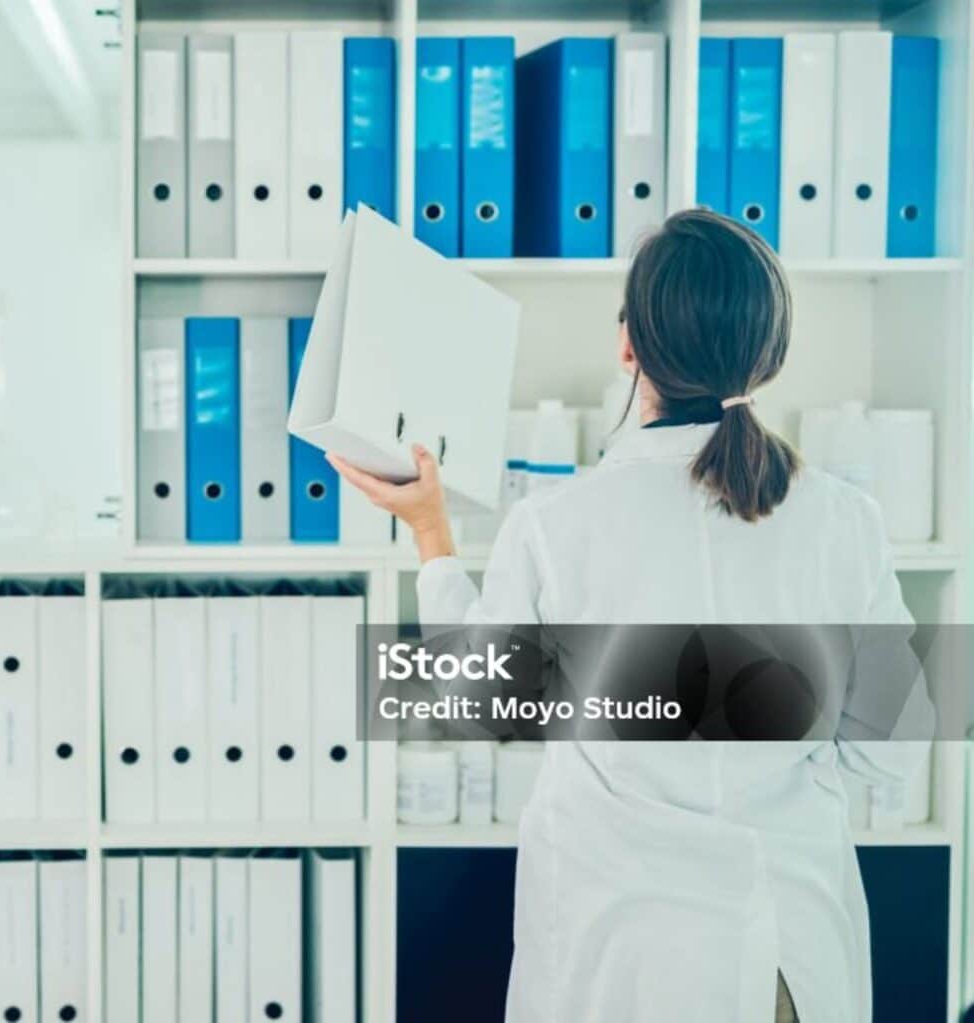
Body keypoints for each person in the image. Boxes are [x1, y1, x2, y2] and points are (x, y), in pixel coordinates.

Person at [331, 209, 927, 1022]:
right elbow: (893, 756)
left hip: (619, 969)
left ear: (628, 347)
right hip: (784, 965)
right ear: (770, 354)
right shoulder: (845, 520)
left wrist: (431, 533)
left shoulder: (557, 524)